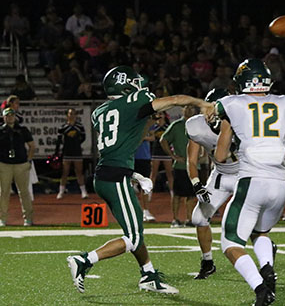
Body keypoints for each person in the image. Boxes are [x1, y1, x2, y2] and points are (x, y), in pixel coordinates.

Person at [66, 65, 213, 295]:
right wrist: (203, 104)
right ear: (126, 85)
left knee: (134, 230)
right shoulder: (136, 100)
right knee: (134, 236)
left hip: (106, 174)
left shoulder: (99, 112)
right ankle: (84, 260)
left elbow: (119, 143)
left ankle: (148, 275)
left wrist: (133, 174)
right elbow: (174, 99)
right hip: (114, 177)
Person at [214, 58, 285, 305]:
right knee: (261, 231)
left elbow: (220, 155)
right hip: (280, 185)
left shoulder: (231, 104)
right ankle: (267, 269)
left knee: (230, 242)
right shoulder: (284, 103)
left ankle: (260, 288)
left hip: (252, 181)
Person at [185, 88, 238, 279]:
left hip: (246, 174)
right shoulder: (196, 126)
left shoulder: (242, 123)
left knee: (244, 221)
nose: (207, 113)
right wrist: (196, 183)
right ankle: (207, 262)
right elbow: (191, 161)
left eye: (212, 109)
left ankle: (265, 256)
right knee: (199, 217)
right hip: (221, 175)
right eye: (206, 108)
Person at [160, 105, 197, 227]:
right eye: (186, 108)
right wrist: (173, 155)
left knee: (192, 194)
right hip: (181, 165)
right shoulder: (176, 125)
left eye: (191, 108)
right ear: (183, 110)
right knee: (177, 194)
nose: (189, 110)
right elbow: (163, 140)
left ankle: (189, 218)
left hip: (196, 165)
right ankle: (175, 219)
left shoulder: (198, 124)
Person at [0, 108, 35, 227]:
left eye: (11, 115)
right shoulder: (1, 130)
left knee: (24, 192)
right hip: (4, 164)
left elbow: (32, 145)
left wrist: (29, 160)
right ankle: (2, 218)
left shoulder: (22, 130)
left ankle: (28, 218)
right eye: (7, 115)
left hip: (21, 164)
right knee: (4, 192)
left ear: (15, 116)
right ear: (3, 117)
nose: (10, 117)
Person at [55, 108, 88, 199]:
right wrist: (57, 152)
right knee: (65, 172)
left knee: (79, 172)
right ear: (67, 115)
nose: (72, 115)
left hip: (77, 152)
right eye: (70, 114)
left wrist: (76, 144)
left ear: (76, 115)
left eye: (73, 113)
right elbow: (59, 140)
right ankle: (61, 191)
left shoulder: (80, 126)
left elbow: (83, 138)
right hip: (67, 152)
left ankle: (83, 191)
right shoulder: (63, 127)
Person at [149, 112, 174, 197]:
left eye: (161, 114)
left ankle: (172, 192)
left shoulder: (168, 127)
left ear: (164, 116)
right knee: (153, 173)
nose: (159, 116)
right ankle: (149, 192)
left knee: (169, 173)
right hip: (155, 152)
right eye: (158, 114)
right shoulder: (153, 127)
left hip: (166, 153)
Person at [134, 133, 155, 222]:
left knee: (145, 185)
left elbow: (152, 137)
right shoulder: (131, 124)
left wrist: (142, 137)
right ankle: (135, 210)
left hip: (145, 157)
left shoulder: (148, 124)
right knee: (131, 186)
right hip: (132, 157)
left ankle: (146, 210)